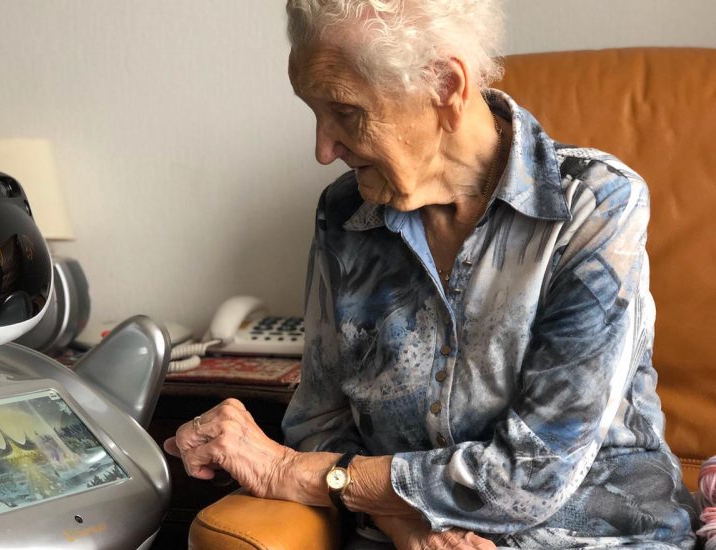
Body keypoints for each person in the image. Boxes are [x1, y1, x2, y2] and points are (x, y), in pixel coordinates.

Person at [164, 0, 697, 548]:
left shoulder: (593, 204)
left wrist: (292, 471)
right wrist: (408, 526)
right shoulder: (346, 215)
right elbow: (320, 421)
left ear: (445, 85)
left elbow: (532, 472)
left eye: (345, 111)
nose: (324, 148)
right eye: (314, 112)